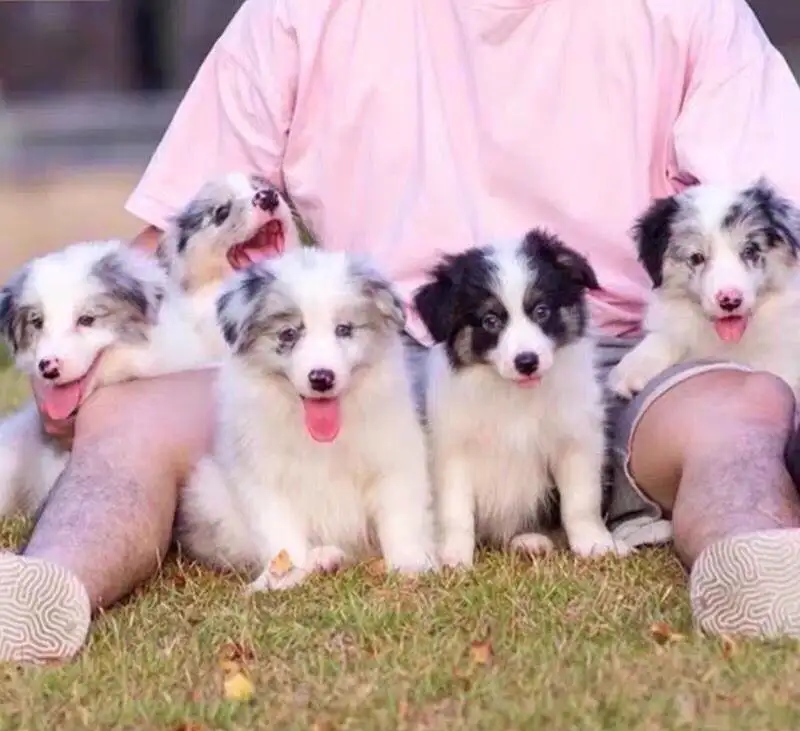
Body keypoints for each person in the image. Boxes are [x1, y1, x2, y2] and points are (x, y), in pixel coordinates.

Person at [2, 0, 800, 663]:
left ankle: (755, 566)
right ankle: (44, 591)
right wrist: (78, 368)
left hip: (613, 352)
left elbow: (776, 209)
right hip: (374, 356)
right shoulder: (298, 14)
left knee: (741, 409)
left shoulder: (688, 12)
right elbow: (175, 235)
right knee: (132, 417)